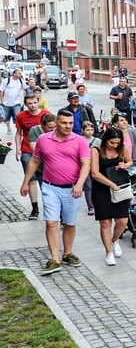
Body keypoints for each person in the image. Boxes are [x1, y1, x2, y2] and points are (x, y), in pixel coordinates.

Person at [19, 110, 91, 274]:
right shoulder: (43, 139)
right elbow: (35, 161)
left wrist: (80, 184)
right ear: (57, 123)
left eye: (70, 123)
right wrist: (25, 182)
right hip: (50, 187)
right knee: (51, 222)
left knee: (69, 223)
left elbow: (86, 164)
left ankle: (67, 253)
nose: (68, 126)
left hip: (72, 188)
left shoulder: (79, 141)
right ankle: (54, 259)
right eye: (64, 123)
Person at [89, 127, 132, 266]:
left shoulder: (121, 148)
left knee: (122, 221)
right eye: (111, 143)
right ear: (105, 139)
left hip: (120, 188)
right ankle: (108, 251)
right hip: (101, 188)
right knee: (105, 222)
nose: (114, 145)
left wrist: (125, 165)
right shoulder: (96, 150)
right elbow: (94, 173)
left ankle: (114, 240)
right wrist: (110, 184)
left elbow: (130, 161)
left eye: (117, 143)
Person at [15, 94, 49, 220]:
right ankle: (35, 208)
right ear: (25, 104)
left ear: (38, 101)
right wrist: (18, 148)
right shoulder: (21, 116)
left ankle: (50, 206)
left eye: (34, 102)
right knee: (31, 179)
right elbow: (18, 133)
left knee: (45, 179)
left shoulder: (46, 114)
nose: (32, 105)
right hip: (27, 150)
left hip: (44, 152)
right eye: (29, 103)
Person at [1, 68, 26, 134]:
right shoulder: (6, 80)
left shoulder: (21, 81)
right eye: (19, 73)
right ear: (14, 74)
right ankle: (8, 127)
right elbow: (1, 90)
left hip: (17, 102)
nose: (20, 75)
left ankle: (19, 129)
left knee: (18, 116)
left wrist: (24, 100)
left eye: (21, 73)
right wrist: (1, 100)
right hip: (6, 102)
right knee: (6, 117)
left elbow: (25, 89)